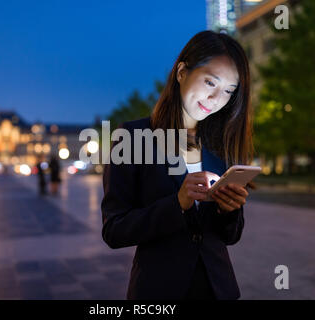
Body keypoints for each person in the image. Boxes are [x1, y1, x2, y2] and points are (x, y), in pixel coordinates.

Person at [101, 30, 256, 300]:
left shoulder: (220, 144)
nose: (216, 99)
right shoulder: (133, 137)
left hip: (218, 289)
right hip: (158, 291)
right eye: (210, 82)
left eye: (229, 91)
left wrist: (228, 210)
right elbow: (114, 229)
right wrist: (178, 203)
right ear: (182, 72)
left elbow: (231, 236)